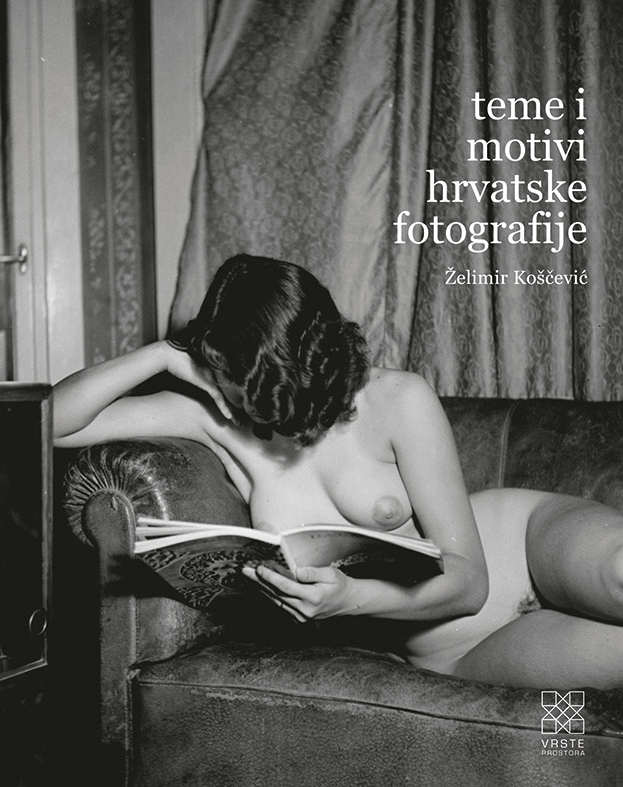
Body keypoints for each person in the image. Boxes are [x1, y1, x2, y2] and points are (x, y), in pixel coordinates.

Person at [53, 254, 623, 689]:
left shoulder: (397, 398)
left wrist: (349, 598)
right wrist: (159, 354)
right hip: (448, 652)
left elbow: (470, 583)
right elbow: (51, 423)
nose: (257, 405)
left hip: (518, 544)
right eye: (240, 382)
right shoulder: (213, 417)